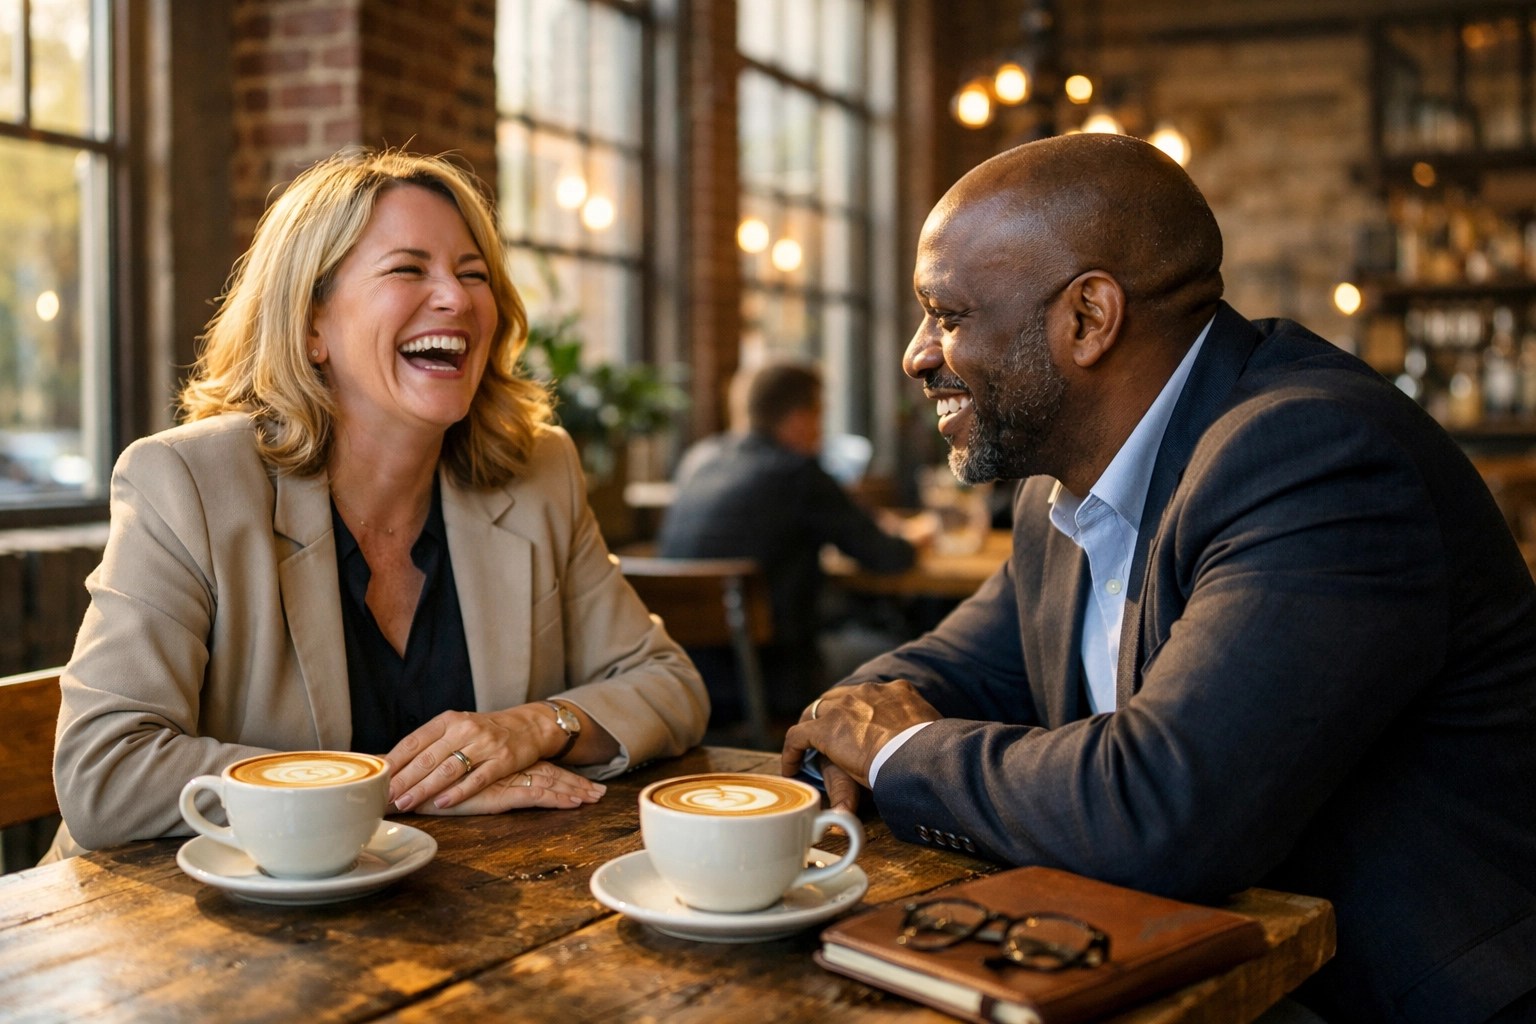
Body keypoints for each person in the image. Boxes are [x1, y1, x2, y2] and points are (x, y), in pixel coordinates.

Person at [782, 134, 1536, 1024]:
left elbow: (1161, 807)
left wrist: (898, 752)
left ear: (1089, 318)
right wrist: (858, 718)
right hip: (1208, 968)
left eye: (946, 315)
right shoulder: (1060, 490)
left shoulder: (1314, 455)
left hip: (1389, 997)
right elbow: (948, 674)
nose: (917, 356)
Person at [49, 149, 708, 858]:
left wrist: (536, 727)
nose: (455, 298)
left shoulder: (537, 473)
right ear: (311, 327)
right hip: (163, 932)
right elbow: (104, 771)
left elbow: (670, 686)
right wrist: (395, 787)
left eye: (473, 274)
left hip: (440, 917)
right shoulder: (186, 482)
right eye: (407, 269)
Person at [657, 362, 922, 719]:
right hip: (772, 683)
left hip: (683, 680)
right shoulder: (798, 473)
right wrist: (918, 537)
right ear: (799, 417)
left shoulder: (701, 459)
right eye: (819, 413)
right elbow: (888, 556)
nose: (821, 428)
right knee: (906, 655)